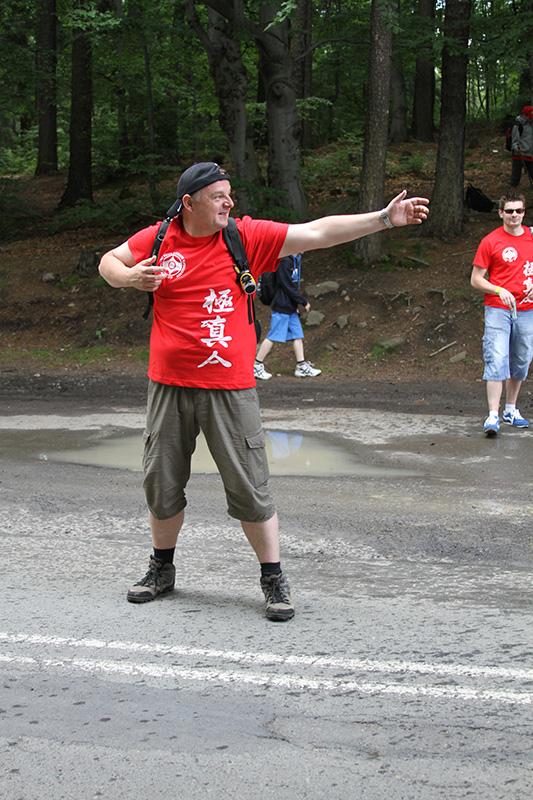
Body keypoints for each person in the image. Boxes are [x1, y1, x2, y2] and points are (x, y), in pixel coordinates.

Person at [98, 161, 428, 621]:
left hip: (229, 388)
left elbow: (316, 233)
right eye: (218, 196)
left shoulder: (245, 237)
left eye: (229, 194)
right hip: (168, 385)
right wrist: (130, 277)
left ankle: (273, 578)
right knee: (161, 483)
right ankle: (161, 568)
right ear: (189, 202)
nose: (228, 202)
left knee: (250, 487)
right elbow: (108, 262)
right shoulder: (159, 238)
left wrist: (383, 219)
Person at [471, 192, 533, 436]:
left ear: (524, 213)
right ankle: (493, 415)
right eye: (509, 211)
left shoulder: (531, 237)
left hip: (527, 308)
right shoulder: (491, 241)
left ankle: (510, 409)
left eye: (519, 211)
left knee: (522, 358)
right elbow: (476, 279)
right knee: (497, 357)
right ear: (500, 213)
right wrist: (499, 289)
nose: (514, 215)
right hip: (498, 307)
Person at [254, 253, 321, 380]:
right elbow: (287, 286)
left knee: (297, 335)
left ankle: (301, 366)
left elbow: (291, 286)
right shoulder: (284, 262)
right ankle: (257, 366)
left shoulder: (295, 260)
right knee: (272, 336)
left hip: (290, 307)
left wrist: (294, 304)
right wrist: (302, 301)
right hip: (282, 306)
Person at [508, 106, 533, 187]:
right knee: (516, 176)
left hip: (529, 153)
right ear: (525, 115)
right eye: (529, 117)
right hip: (519, 154)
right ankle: (513, 190)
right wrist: (516, 148)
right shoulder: (517, 126)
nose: (531, 119)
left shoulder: (530, 125)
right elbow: (514, 141)